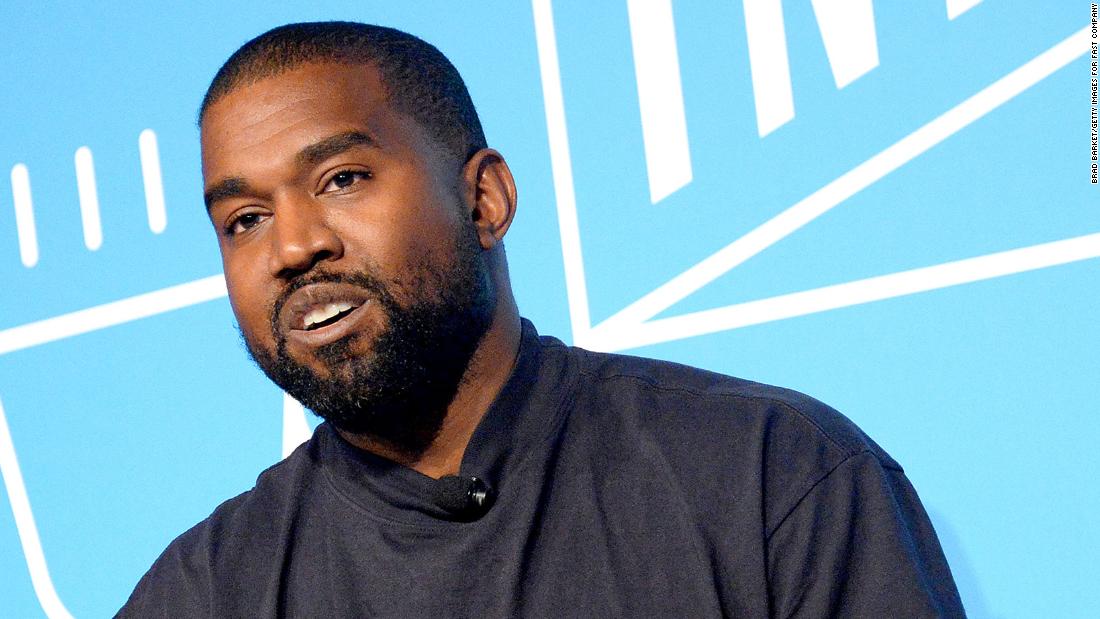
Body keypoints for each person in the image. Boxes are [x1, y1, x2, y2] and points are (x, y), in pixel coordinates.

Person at [119, 21, 965, 617]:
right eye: (244, 220)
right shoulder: (199, 595)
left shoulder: (770, 473)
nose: (294, 245)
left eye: (341, 178)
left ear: (484, 198)